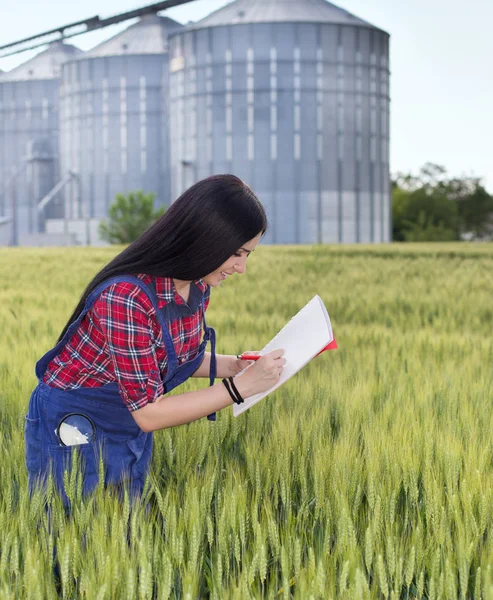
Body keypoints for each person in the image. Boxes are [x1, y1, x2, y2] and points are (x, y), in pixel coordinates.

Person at [24, 174, 285, 505]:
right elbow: (148, 412)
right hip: (76, 425)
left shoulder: (197, 286)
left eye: (248, 255)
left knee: (124, 535)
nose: (241, 268)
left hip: (126, 422)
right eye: (237, 253)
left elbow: (171, 360)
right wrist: (240, 388)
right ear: (206, 237)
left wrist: (235, 366)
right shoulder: (127, 298)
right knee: (72, 537)